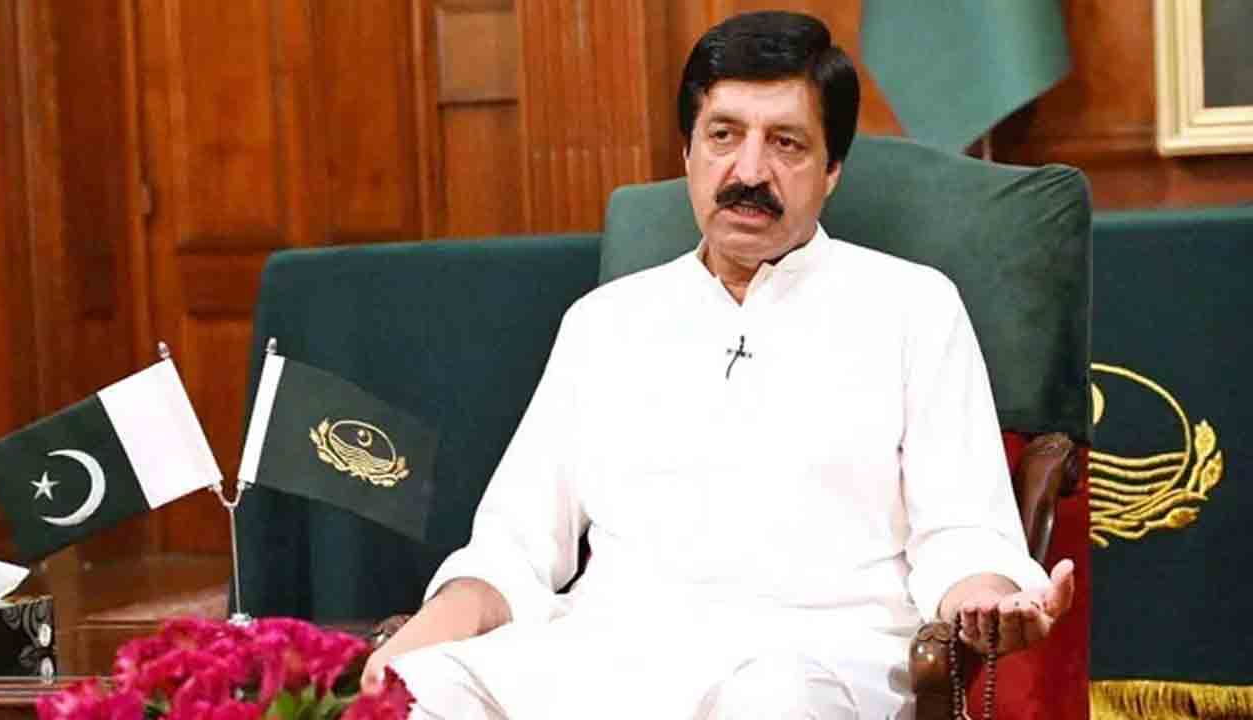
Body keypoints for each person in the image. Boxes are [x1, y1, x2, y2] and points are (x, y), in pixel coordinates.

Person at [362, 11, 1074, 719]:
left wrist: (987, 598)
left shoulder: (913, 307)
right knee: (424, 691)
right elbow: (511, 550)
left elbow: (961, 532)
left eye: (786, 143)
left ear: (831, 170)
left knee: (769, 700)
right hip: (607, 656)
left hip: (816, 661)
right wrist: (410, 652)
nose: (749, 172)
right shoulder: (604, 322)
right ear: (688, 153)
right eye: (724, 136)